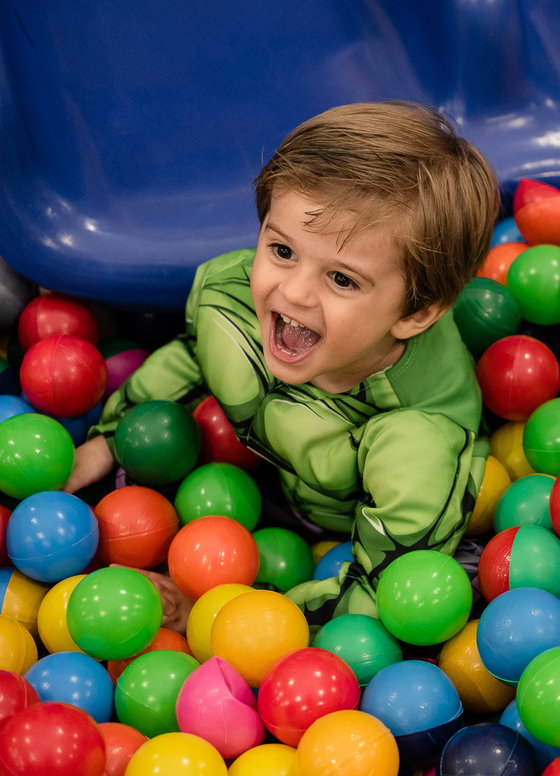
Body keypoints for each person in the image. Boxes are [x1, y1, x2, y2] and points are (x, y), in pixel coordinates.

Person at [65, 101, 500, 629]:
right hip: (261, 484)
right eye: (282, 250)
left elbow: (386, 591)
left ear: (417, 313)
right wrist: (108, 439)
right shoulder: (230, 297)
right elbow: (191, 353)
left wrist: (219, 616)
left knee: (452, 590)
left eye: (341, 279)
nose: (292, 292)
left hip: (382, 532)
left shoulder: (417, 442)